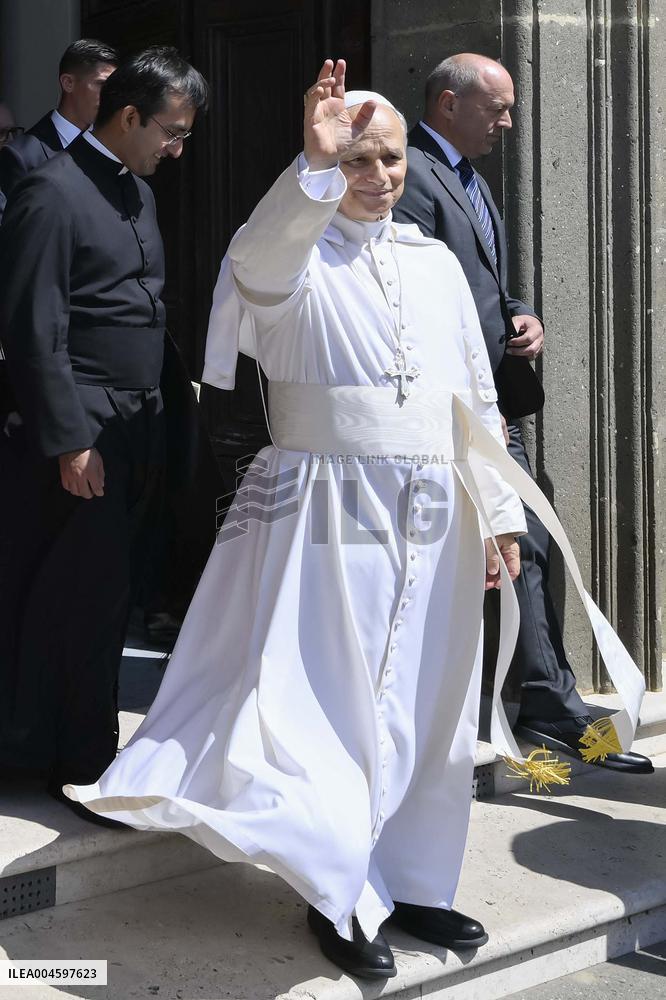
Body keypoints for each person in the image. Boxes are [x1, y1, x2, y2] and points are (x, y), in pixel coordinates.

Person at [65, 60, 529, 978]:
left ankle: (419, 882)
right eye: (358, 160)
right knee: (333, 706)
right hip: (329, 506)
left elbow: (475, 399)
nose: (380, 176)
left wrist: (501, 512)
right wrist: (312, 170)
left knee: (431, 702)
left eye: (390, 158)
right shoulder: (287, 254)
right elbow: (264, 262)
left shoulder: (434, 262)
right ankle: (338, 891)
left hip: (438, 507)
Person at [392, 53, 652, 774]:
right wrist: (475, 404)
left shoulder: (468, 177)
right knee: (505, 551)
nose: (507, 123)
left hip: (491, 398)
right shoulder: (410, 174)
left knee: (525, 545)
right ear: (449, 103)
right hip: (454, 411)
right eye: (497, 109)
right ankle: (526, 704)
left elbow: (479, 287)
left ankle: (543, 698)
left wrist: (519, 313)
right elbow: (420, 305)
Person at [0, 47, 208, 823]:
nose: (177, 148)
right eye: (171, 131)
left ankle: (78, 746)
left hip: (134, 427)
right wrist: (68, 439)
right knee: (71, 600)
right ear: (128, 117)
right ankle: (74, 758)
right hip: (77, 435)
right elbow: (33, 327)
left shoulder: (134, 190)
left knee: (105, 597)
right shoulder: (49, 192)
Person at [0, 38, 118, 216]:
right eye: (101, 84)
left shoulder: (112, 150)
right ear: (68, 83)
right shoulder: (21, 156)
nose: (110, 96)